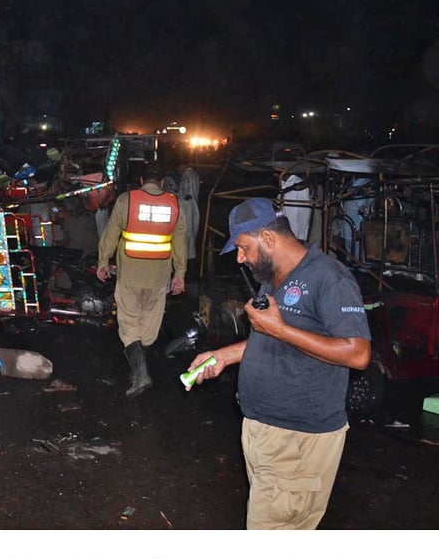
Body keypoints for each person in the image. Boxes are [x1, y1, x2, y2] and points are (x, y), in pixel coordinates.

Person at [184, 197, 370, 529]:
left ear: (268, 239)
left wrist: (280, 329)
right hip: (266, 431)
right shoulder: (274, 277)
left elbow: (357, 354)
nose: (240, 258)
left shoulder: (330, 278)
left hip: (298, 439)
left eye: (243, 247)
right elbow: (273, 338)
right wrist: (225, 355)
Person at [96, 161, 187, 396]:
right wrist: (180, 275)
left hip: (130, 275)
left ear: (141, 180)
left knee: (129, 325)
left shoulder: (127, 200)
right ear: (163, 182)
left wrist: (103, 262)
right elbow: (180, 244)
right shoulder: (174, 204)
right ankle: (139, 371)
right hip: (158, 278)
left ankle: (140, 372)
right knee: (148, 327)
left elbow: (111, 234)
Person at [175, 160, 201, 264]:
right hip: (193, 207)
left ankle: (186, 259)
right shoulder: (194, 175)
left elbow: (186, 194)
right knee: (191, 233)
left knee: (186, 233)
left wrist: (176, 195)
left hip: (187, 208)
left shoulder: (186, 176)